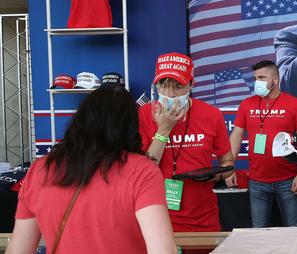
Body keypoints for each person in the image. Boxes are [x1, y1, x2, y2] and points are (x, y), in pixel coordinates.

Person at [8, 87, 176, 254]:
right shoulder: (142, 171)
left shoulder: (41, 169)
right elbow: (163, 250)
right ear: (131, 127)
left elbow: (18, 249)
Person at [139, 52, 234, 232]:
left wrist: (213, 176)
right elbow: (143, 171)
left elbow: (227, 162)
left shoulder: (211, 115)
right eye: (163, 86)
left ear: (192, 84)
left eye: (178, 86)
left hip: (203, 218)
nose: (170, 94)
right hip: (157, 218)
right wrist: (164, 129)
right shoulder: (144, 115)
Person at [226, 60, 297, 227]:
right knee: (258, 232)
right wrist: (228, 169)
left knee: (293, 232)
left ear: (275, 80)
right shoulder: (246, 105)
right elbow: (235, 136)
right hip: (257, 181)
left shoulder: (294, 104)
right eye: (255, 78)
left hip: (288, 180)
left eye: (262, 77)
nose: (257, 82)